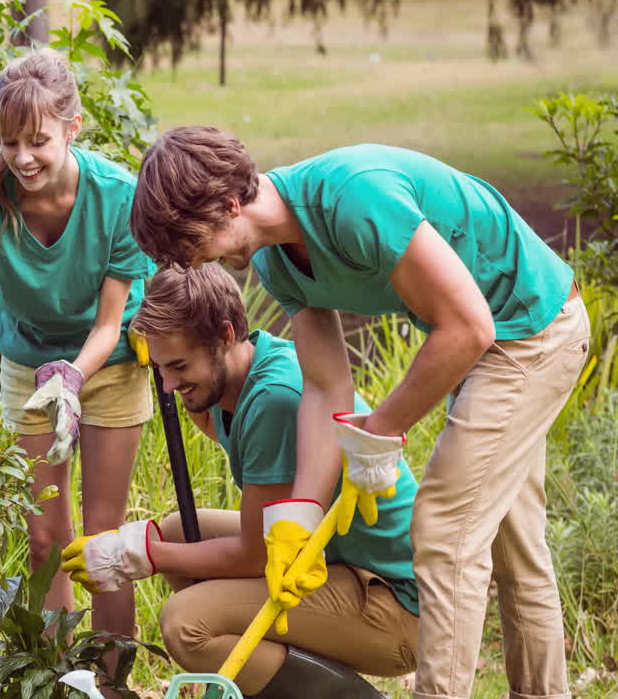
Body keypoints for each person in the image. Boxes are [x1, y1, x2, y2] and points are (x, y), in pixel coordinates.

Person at [128, 127, 590, 699]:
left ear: (228, 204)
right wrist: (300, 507)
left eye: (194, 243)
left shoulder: (354, 200)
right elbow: (326, 384)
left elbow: (469, 326)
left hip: (531, 331)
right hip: (483, 341)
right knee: (515, 548)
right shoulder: (278, 260)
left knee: (445, 529)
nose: (196, 262)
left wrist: (381, 430)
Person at [0, 48, 155, 662]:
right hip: (26, 370)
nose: (22, 158)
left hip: (109, 365)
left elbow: (108, 323)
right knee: (44, 539)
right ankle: (61, 674)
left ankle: (115, 677)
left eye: (38, 140)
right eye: (9, 142)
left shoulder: (119, 197)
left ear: (73, 128)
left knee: (102, 542)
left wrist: (73, 375)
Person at [61, 264, 419, 698]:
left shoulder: (274, 401)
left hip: (396, 598)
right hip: (329, 556)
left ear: (226, 336)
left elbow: (252, 555)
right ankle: (265, 678)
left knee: (185, 625)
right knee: (176, 532)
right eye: (160, 368)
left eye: (178, 366)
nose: (170, 385)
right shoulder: (233, 379)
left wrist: (138, 554)